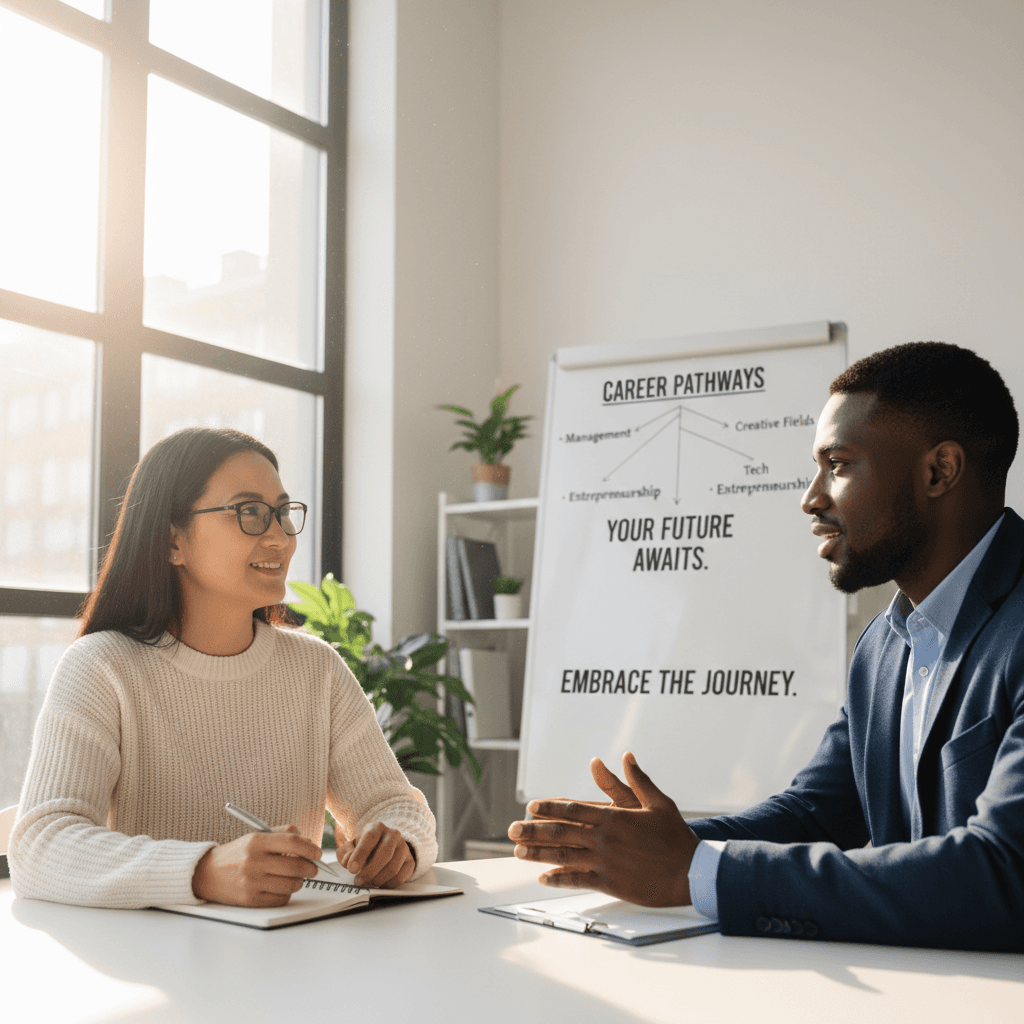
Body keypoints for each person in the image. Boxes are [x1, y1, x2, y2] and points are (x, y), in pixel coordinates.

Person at [508, 341, 1024, 952]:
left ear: (939, 470)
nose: (811, 497)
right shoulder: (885, 645)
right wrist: (655, 846)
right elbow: (816, 813)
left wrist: (696, 870)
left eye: (838, 464)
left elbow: (1002, 873)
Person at [10, 427, 437, 909]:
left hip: (294, 957)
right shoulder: (102, 667)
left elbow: (393, 804)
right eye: (249, 513)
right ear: (174, 542)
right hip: (155, 964)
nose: (279, 537)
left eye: (282, 513)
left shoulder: (317, 670)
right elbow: (41, 845)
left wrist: (398, 844)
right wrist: (203, 873)